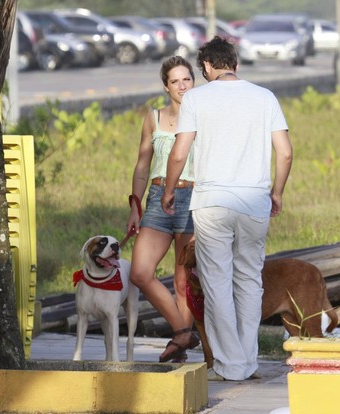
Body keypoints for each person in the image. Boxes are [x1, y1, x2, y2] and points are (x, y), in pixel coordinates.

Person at [160, 36, 293, 381]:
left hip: (212, 203)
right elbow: (286, 152)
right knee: (250, 281)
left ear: (206, 66)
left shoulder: (197, 99)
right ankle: (246, 362)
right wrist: (276, 193)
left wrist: (169, 190)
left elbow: (179, 152)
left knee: (217, 282)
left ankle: (230, 365)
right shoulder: (265, 97)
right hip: (254, 201)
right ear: (235, 62)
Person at [127, 56, 199, 363]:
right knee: (140, 272)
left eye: (187, 79)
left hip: (193, 197)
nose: (182, 86)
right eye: (175, 81)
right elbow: (142, 164)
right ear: (165, 86)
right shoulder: (153, 118)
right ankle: (183, 331)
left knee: (184, 280)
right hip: (157, 197)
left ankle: (180, 344)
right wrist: (135, 204)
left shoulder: (203, 116)